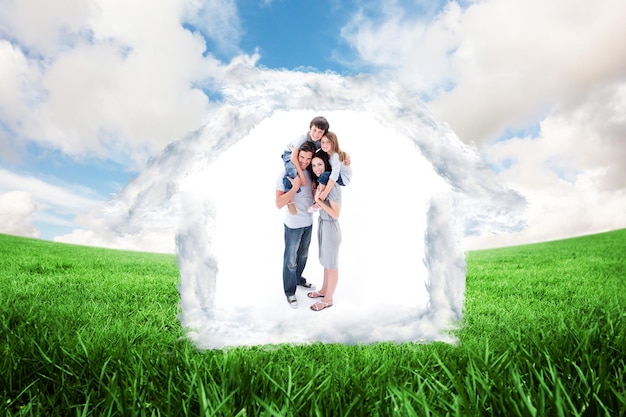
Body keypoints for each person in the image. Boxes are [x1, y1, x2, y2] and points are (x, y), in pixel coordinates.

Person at [276, 141, 317, 309]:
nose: (305, 161)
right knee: (291, 260)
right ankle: (290, 291)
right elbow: (278, 203)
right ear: (296, 155)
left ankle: (298, 279)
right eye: (302, 157)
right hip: (293, 225)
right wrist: (294, 189)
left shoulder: (310, 172)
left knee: (303, 256)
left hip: (308, 222)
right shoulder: (284, 174)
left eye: (308, 158)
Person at [306, 150, 342, 311]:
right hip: (323, 224)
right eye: (313, 165)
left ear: (326, 165)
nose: (316, 168)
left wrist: (319, 199)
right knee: (326, 263)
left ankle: (328, 299)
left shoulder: (332, 187)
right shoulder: (322, 184)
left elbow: (335, 213)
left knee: (332, 265)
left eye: (319, 164)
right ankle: (323, 290)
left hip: (331, 226)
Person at [280, 117, 329, 216]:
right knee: (292, 171)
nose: (316, 134)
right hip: (290, 153)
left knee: (316, 170)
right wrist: (301, 175)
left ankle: (316, 196)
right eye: (314, 130)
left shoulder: (321, 141)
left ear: (324, 133)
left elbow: (332, 147)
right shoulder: (302, 138)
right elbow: (294, 157)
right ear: (310, 128)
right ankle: (289, 199)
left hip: (306, 156)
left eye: (320, 132)